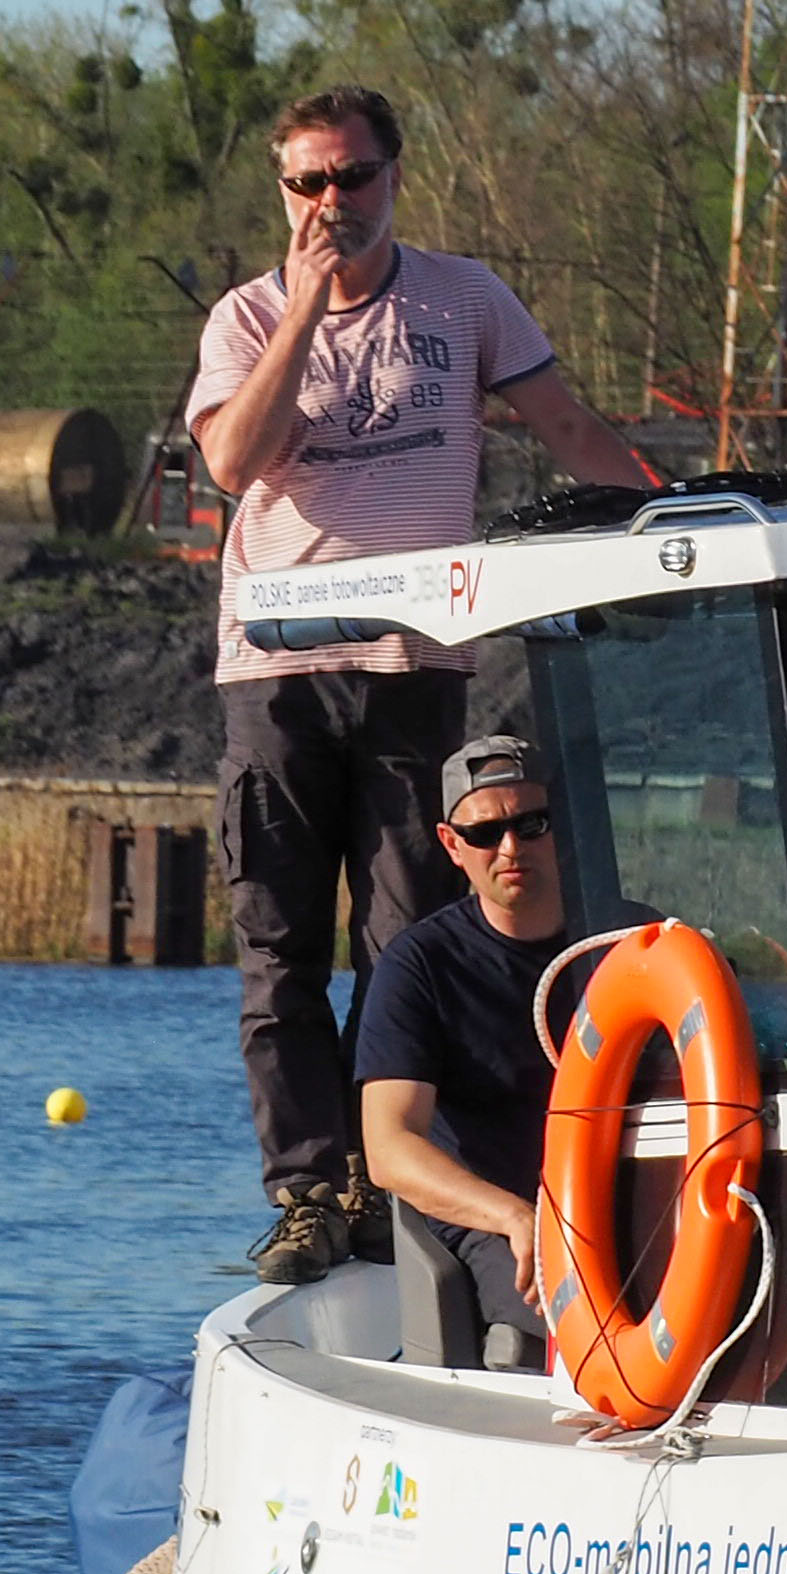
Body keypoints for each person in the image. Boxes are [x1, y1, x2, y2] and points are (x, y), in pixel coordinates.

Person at [191, 86, 655, 1284]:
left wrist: (672, 520)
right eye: (308, 184)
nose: (332, 203)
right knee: (278, 946)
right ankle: (307, 1193)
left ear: (395, 177)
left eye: (353, 178)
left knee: (405, 939)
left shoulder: (465, 298)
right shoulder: (248, 316)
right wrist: (305, 308)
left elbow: (564, 425)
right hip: (281, 672)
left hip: (413, 668)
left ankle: (383, 1174)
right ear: (282, 194)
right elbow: (234, 462)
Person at [353, 735, 580, 1370]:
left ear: (561, 826)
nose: (511, 848)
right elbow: (389, 1147)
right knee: (568, 1315)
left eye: (530, 824)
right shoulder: (419, 966)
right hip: (497, 1214)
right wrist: (515, 1216)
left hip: (630, 1201)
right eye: (485, 834)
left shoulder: (634, 940)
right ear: (453, 845)